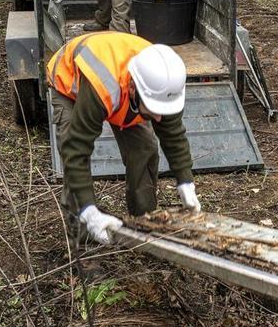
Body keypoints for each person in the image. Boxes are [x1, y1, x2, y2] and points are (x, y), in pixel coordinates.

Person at [47, 31, 201, 245]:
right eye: (153, 109)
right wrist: (90, 211)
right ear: (132, 88)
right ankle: (82, 244)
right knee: (75, 166)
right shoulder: (101, 87)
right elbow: (76, 150)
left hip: (120, 88)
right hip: (70, 86)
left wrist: (185, 181)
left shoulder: (163, 83)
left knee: (145, 147)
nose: (158, 117)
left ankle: (145, 223)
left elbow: (173, 134)